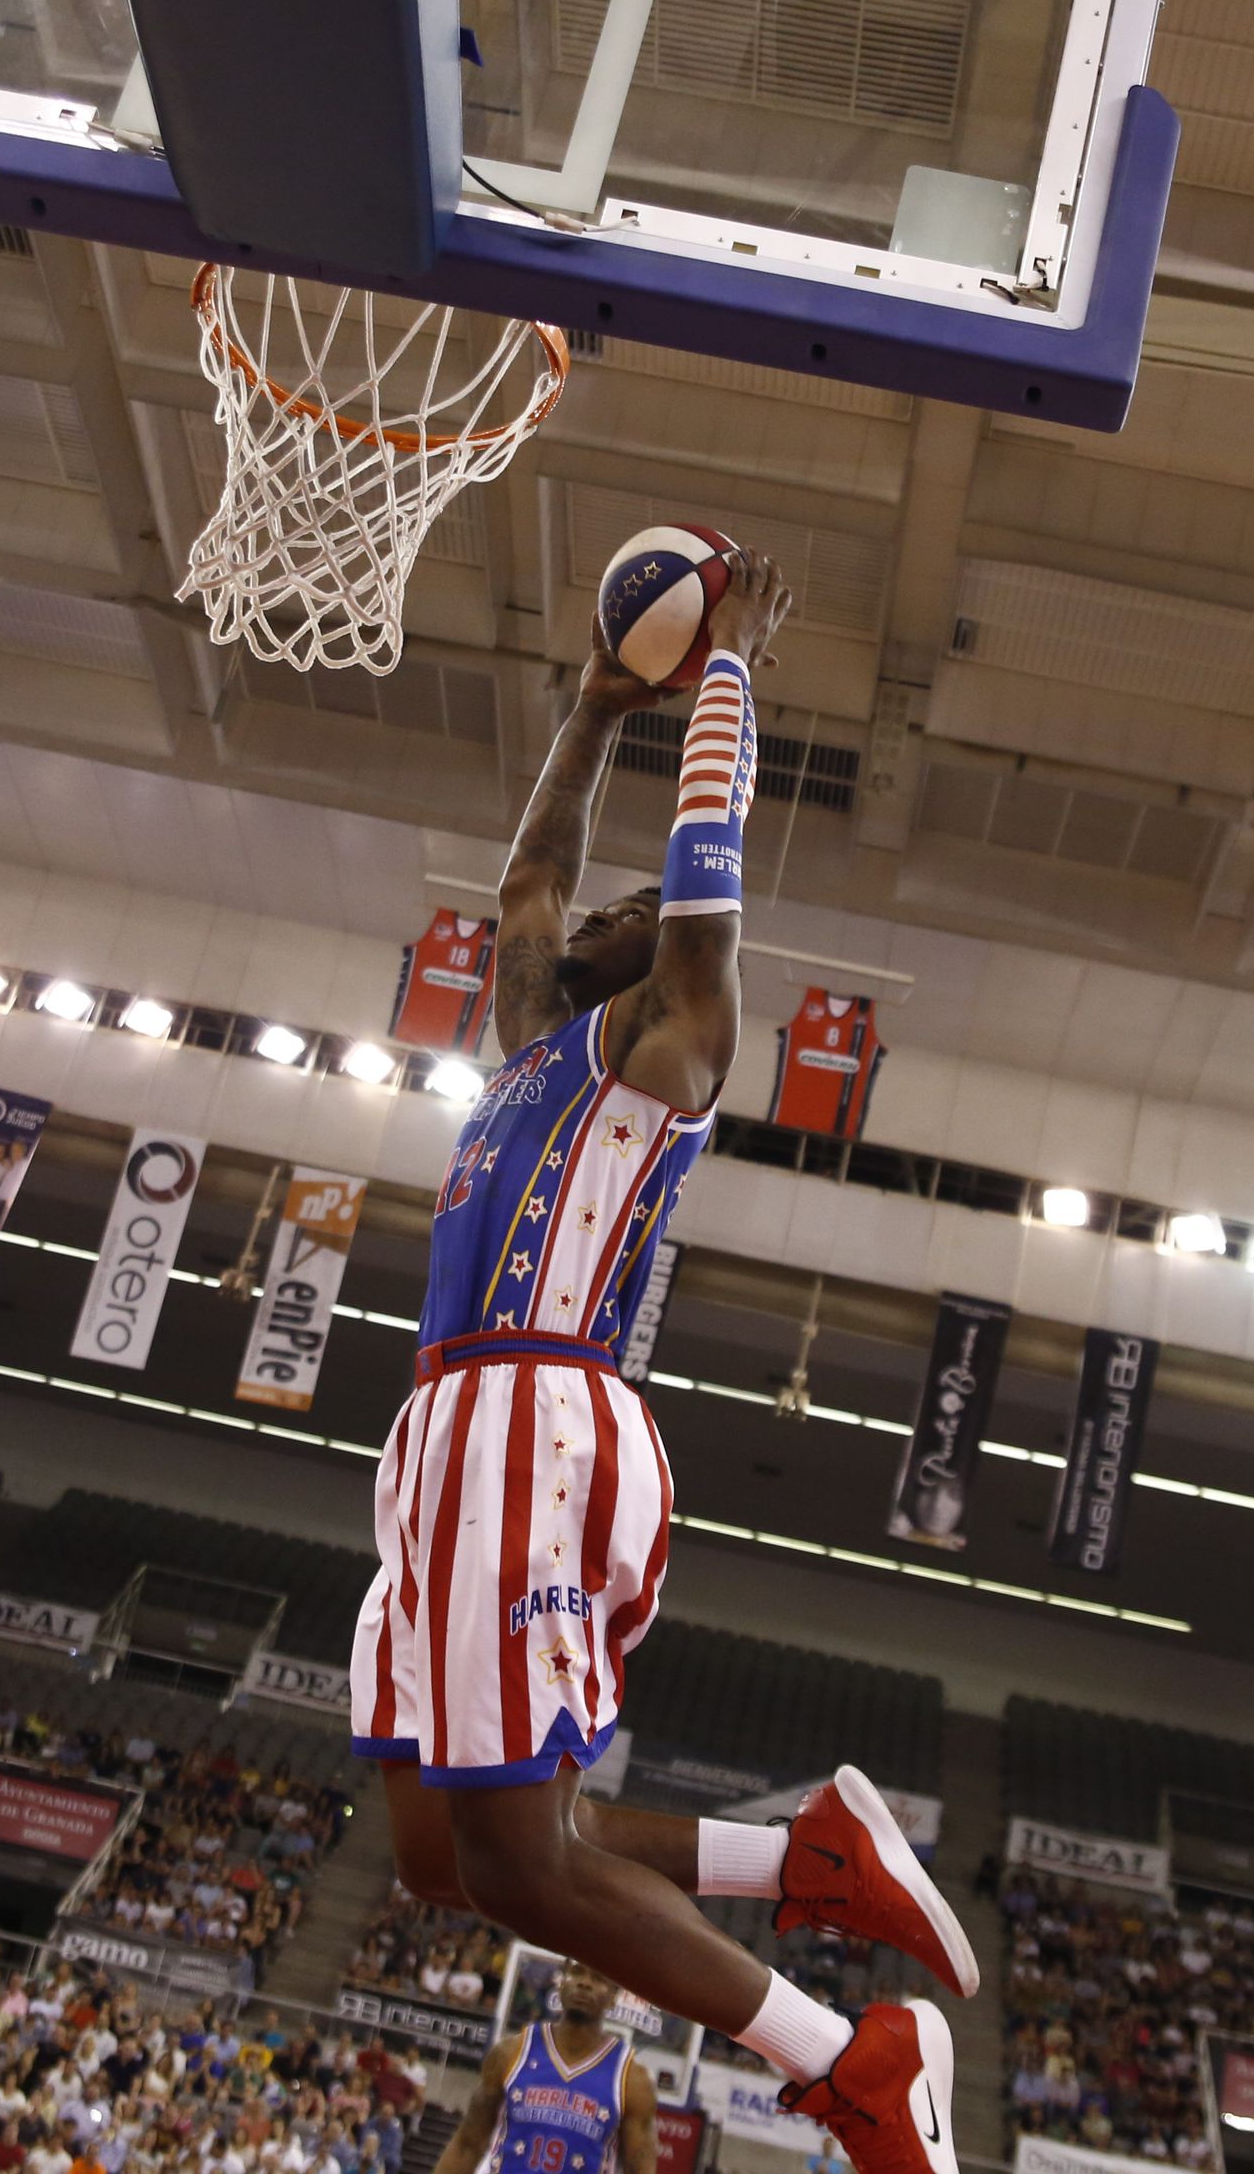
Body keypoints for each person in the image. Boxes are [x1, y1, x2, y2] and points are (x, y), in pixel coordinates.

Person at [348, 557, 976, 2174]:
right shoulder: (530, 1050)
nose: (602, 910)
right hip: (452, 1425)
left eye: (638, 915)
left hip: (531, 1411)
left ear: (659, 956)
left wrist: (726, 679)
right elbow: (529, 886)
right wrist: (590, 711)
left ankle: (854, 2063)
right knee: (441, 1853)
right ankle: (811, 1858)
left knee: (523, 1873)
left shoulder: (674, 1047)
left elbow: (699, 895)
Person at [430, 1962, 654, 2174]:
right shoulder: (511, 2052)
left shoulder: (632, 2079)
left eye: (597, 1978)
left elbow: (640, 2167)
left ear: (614, 1997)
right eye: (577, 1972)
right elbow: (467, 2144)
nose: (584, 1983)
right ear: (560, 1982)